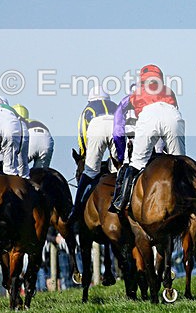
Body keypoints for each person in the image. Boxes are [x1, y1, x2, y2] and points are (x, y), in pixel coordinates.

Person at [110, 64, 184, 213]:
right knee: (180, 162)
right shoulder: (169, 91)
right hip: (172, 115)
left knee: (136, 163)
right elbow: (174, 110)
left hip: (148, 118)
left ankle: (121, 200)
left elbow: (121, 129)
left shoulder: (135, 94)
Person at [68, 87, 118, 224]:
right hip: (115, 126)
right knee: (117, 170)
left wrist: (84, 155)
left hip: (97, 127)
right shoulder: (115, 106)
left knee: (90, 171)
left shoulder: (88, 109)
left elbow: (82, 133)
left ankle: (76, 208)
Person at [12, 104, 55, 169]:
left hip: (31, 139)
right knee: (40, 174)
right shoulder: (35, 121)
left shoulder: (17, 122)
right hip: (47, 140)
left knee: (16, 169)